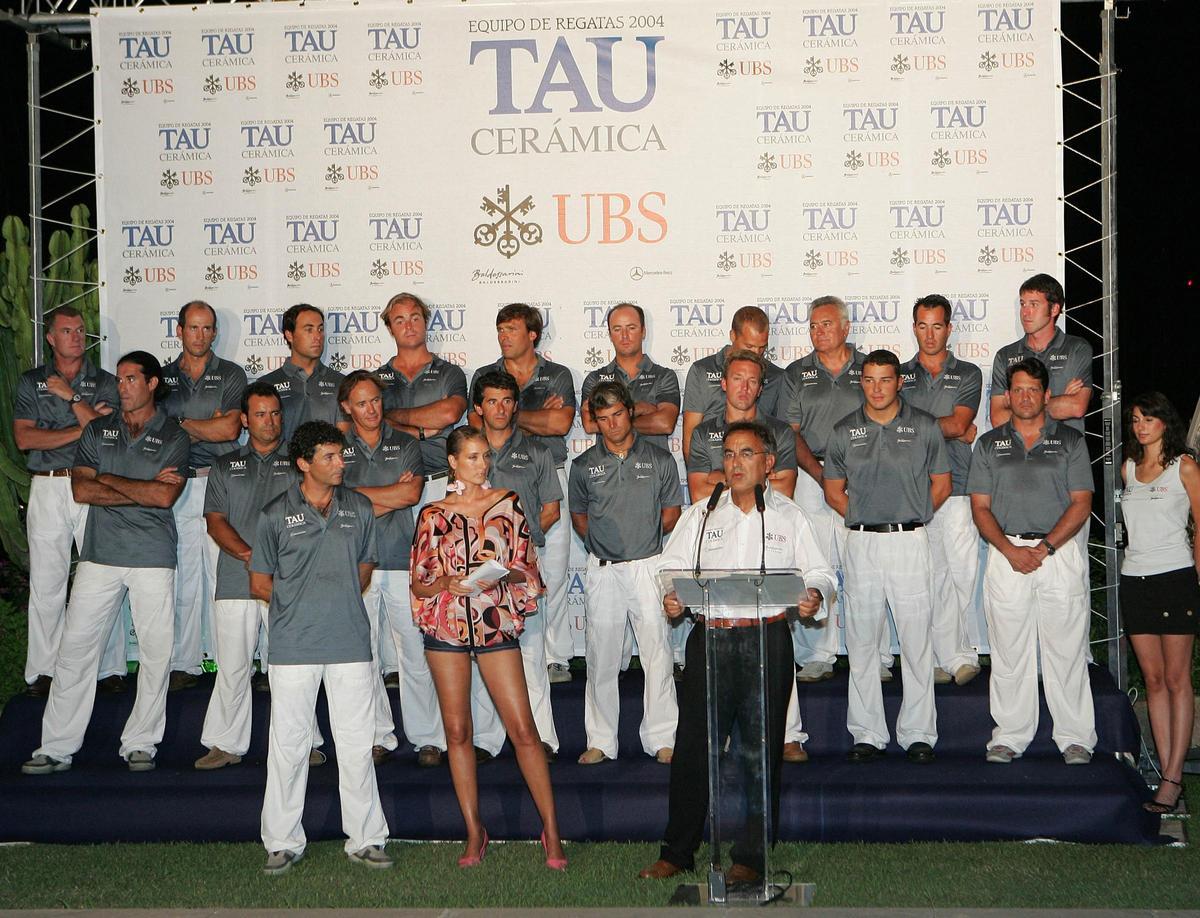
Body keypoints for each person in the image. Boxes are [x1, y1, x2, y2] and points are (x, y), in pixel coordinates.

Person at [638, 422, 835, 883]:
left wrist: (813, 596)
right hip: (711, 637)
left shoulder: (788, 516)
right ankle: (678, 851)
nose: (736, 463)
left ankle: (751, 858)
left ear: (768, 463)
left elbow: (822, 573)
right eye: (728, 454)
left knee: (758, 752)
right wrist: (672, 593)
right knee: (692, 750)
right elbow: (670, 566)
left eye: (747, 454)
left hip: (766, 639)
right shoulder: (702, 514)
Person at [22, 351, 190, 775]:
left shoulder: (174, 433)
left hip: (152, 557)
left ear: (152, 383)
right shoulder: (97, 429)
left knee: (155, 654)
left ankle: (141, 742)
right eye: (119, 379)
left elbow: (165, 497)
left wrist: (109, 480)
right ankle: (56, 746)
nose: (122, 386)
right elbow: (82, 491)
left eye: (132, 378)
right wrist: (140, 488)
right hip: (99, 556)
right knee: (75, 650)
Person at [410, 427, 566, 869]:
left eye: (485, 456)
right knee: (457, 733)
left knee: (523, 730)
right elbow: (419, 583)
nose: (482, 464)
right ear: (453, 463)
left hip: (495, 624)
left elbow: (528, 570)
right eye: (473, 457)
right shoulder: (432, 514)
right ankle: (474, 831)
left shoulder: (508, 503)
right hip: (446, 627)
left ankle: (551, 831)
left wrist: (503, 576)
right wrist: (444, 582)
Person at [250, 421, 391, 874]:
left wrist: (337, 597)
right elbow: (259, 581)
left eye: (341, 455)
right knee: (289, 746)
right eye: (329, 457)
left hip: (350, 640)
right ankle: (282, 841)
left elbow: (366, 565)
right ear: (303, 463)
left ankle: (366, 838)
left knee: (355, 745)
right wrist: (300, 604)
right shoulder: (274, 513)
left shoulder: (360, 507)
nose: (340, 464)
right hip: (293, 645)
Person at [824, 349, 950, 763]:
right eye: (869, 380)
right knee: (861, 642)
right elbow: (832, 489)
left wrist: (910, 517)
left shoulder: (925, 426)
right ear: (861, 382)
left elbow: (942, 483)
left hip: (910, 542)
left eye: (885, 380)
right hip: (861, 543)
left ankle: (918, 734)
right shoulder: (843, 430)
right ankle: (867, 734)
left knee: (916, 641)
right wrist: (864, 517)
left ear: (899, 382)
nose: (877, 388)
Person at [968, 357, 1096, 765]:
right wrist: (1009, 551)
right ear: (1008, 395)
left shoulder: (1071, 442)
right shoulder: (989, 444)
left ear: (1045, 394)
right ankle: (1009, 736)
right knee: (1008, 651)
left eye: (1032, 390)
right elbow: (980, 508)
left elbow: (1081, 504)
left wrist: (1045, 549)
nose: (1024, 397)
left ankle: (1076, 738)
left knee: (1066, 649)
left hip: (1058, 555)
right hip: (1007, 556)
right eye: (1017, 389)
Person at [686, 348, 810, 762]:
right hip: (721, 581)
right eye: (736, 379)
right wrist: (740, 480)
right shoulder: (705, 432)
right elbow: (700, 492)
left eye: (752, 380)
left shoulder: (778, 430)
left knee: (775, 656)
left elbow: (784, 489)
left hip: (766, 561)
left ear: (761, 385)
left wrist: (725, 482)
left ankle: (787, 734)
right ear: (723, 383)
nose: (744, 387)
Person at [13, 306, 125, 697]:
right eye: (66, 331)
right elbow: (26, 439)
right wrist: (83, 425)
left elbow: (107, 436)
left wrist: (73, 400)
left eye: (80, 330)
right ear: (50, 337)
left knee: (102, 576)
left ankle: (109, 666)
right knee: (47, 581)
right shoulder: (32, 382)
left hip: (91, 484)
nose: (76, 336)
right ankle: (43, 671)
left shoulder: (106, 382)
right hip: (46, 486)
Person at [569, 380, 680, 765]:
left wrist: (639, 545)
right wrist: (608, 548)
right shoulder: (583, 466)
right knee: (600, 657)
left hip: (648, 565)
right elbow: (580, 518)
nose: (612, 424)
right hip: (603, 570)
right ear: (595, 422)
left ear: (630, 411)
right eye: (602, 418)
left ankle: (662, 738)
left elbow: (670, 516)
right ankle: (601, 740)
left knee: (658, 654)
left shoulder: (661, 460)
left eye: (617, 414)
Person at [469, 303, 576, 684]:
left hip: (548, 473)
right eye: (499, 329)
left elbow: (561, 424)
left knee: (554, 574)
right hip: (498, 478)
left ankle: (557, 656)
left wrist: (512, 416)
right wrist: (532, 418)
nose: (503, 336)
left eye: (511, 329)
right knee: (502, 571)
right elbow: (476, 422)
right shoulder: (485, 374)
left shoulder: (558, 374)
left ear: (532, 334)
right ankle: (506, 641)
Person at [194, 382, 297, 770]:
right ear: (244, 420)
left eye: (274, 413)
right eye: (259, 414)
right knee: (233, 666)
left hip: (288, 579)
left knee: (290, 668)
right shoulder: (224, 466)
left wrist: (275, 560)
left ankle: (303, 743)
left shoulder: (301, 463)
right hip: (237, 578)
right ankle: (225, 744)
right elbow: (215, 521)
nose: (268, 421)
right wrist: (251, 556)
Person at [780, 296, 882, 684]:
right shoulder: (796, 372)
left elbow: (883, 418)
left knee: (866, 566)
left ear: (845, 327)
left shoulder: (869, 367)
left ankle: (873, 656)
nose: (818, 332)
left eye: (825, 324)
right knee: (814, 564)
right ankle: (816, 655)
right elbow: (791, 432)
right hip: (812, 474)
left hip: (864, 476)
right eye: (812, 326)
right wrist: (822, 474)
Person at [473, 370, 564, 761]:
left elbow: (551, 510)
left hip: (522, 568)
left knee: (529, 650)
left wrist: (518, 548)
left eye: (507, 400)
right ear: (478, 407)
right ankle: (485, 741)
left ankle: (542, 737)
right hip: (477, 571)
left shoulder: (538, 452)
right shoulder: (468, 454)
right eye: (492, 401)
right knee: (483, 651)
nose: (500, 408)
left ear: (515, 405)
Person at [339, 370, 425, 766]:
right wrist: (388, 495)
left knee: (415, 653)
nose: (371, 409)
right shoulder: (336, 447)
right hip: (357, 562)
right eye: (361, 403)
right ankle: (378, 735)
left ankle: (429, 738)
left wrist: (360, 499)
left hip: (402, 559)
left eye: (375, 400)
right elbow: (336, 503)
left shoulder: (406, 443)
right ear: (346, 407)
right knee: (365, 655)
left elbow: (411, 494)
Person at [161, 300, 247, 691]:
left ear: (215, 332)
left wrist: (179, 424)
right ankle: (185, 662)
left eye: (207, 328)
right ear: (179, 331)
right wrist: (200, 425)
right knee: (183, 574)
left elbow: (229, 431)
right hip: (177, 482)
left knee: (223, 575)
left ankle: (232, 667)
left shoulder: (231, 374)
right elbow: (157, 431)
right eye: (193, 328)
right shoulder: (160, 379)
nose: (200, 335)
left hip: (220, 480)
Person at [1119, 392, 1199, 812]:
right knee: (1152, 681)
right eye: (1134, 420)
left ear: (1165, 423)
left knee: (1176, 679)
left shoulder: (1184, 467)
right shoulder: (1128, 468)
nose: (1140, 426)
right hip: (1135, 579)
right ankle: (1165, 769)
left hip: (1176, 579)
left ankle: (1172, 777)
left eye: (1148, 419)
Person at [900, 295, 983, 686]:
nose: (929, 334)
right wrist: (948, 426)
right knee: (928, 575)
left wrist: (922, 424)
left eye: (937, 326)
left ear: (949, 329)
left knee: (963, 575)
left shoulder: (968, 373)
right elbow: (899, 425)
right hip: (916, 488)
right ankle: (934, 655)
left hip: (962, 484)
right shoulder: (899, 375)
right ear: (914, 327)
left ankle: (960, 652)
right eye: (922, 325)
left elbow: (961, 421)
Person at [989, 274, 1092, 433]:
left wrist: (1018, 408)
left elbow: (1076, 407)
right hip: (1019, 454)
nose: (1025, 312)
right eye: (1023, 304)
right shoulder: (1005, 355)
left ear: (1054, 309)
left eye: (1034, 304)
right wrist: (1058, 401)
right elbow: (997, 417)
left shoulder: (1076, 349)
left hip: (1064, 453)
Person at [681, 305, 783, 461]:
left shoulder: (777, 376)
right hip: (712, 473)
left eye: (762, 347)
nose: (756, 353)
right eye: (749, 346)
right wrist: (698, 476)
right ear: (733, 335)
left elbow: (781, 435)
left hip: (757, 474)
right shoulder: (701, 370)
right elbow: (690, 435)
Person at [580, 302, 680, 453]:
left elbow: (665, 423)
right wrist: (640, 409)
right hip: (610, 471)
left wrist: (612, 422)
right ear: (610, 335)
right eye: (617, 329)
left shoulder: (664, 376)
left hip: (654, 469)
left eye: (631, 328)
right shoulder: (595, 379)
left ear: (643, 331)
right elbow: (589, 425)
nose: (624, 336)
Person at [258, 303, 345, 443]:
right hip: (282, 464)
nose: (317, 336)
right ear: (289, 335)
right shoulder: (266, 384)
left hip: (328, 463)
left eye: (320, 329)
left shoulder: (342, 383)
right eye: (309, 330)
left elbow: (344, 438)